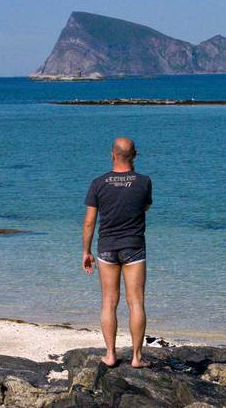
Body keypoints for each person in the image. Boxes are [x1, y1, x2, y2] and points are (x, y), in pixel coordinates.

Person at [82, 137, 152, 368]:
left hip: (107, 248)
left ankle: (110, 354)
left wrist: (86, 251)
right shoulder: (144, 182)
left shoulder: (98, 183)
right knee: (136, 302)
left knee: (109, 302)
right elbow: (144, 208)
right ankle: (136, 357)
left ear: (112, 154)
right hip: (133, 247)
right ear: (135, 155)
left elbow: (90, 222)